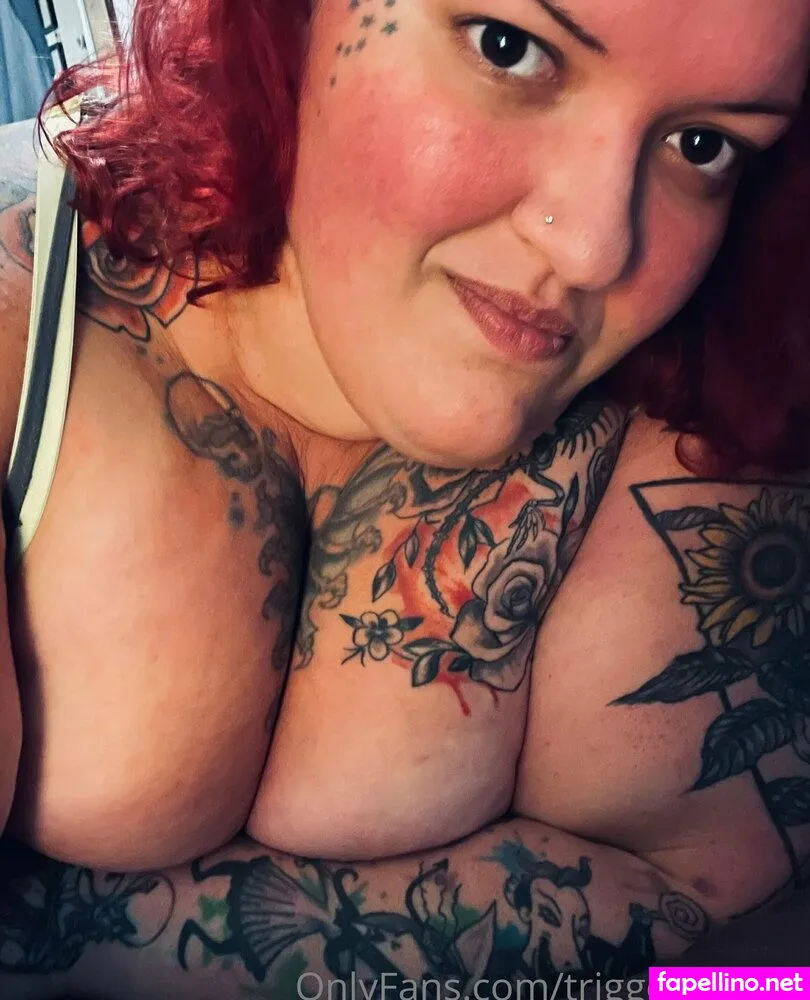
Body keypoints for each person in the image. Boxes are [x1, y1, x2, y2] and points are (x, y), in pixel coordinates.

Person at [0, 0, 809, 995]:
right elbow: (669, 927)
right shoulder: (24, 345)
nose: (597, 248)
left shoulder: (701, 407)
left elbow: (758, 973)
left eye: (703, 144)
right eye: (510, 48)